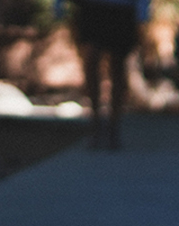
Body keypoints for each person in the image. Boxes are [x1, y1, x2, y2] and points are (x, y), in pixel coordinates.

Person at [61, 0, 151, 149]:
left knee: (117, 67)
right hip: (92, 8)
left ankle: (114, 125)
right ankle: (95, 122)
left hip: (121, 10)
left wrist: (142, 13)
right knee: (91, 61)